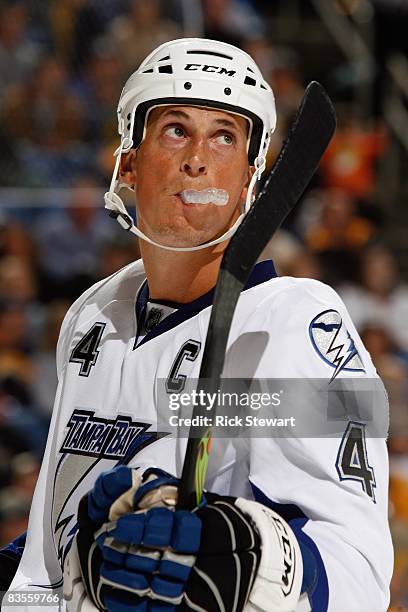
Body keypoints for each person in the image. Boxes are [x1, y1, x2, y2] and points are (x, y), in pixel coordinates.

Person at [3, 38, 393, 611]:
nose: (198, 158)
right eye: (176, 129)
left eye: (225, 136)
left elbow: (360, 571)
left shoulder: (297, 321)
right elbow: (49, 555)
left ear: (249, 180)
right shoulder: (92, 312)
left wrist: (261, 558)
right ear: (129, 162)